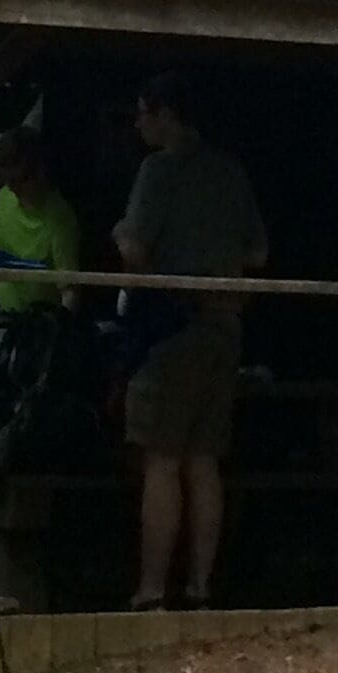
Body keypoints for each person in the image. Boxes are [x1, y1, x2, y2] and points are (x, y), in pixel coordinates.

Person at [112, 72, 267, 610]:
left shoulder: (157, 170)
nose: (138, 124)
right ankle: (200, 586)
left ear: (166, 114)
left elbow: (133, 248)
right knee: (203, 461)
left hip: (172, 329)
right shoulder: (232, 173)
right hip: (225, 329)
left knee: (161, 458)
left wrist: (123, 238)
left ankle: (152, 588)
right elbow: (256, 255)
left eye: (143, 113)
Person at [0, 126, 81, 312]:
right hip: (4, 316)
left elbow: (69, 291)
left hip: (41, 324)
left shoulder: (60, 218)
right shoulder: (3, 198)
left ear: (41, 171)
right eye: (6, 180)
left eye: (19, 179)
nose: (12, 188)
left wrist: (61, 329)